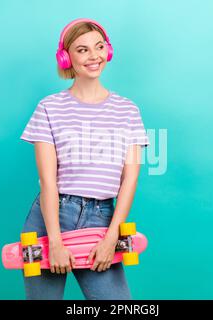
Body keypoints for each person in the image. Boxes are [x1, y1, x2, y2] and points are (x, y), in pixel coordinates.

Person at [19, 18, 150, 300]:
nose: (94, 56)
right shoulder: (49, 108)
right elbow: (47, 181)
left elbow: (130, 179)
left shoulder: (128, 110)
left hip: (102, 217)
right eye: (82, 50)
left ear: (108, 51)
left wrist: (112, 235)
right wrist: (54, 240)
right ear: (66, 58)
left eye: (99, 47)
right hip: (52, 216)